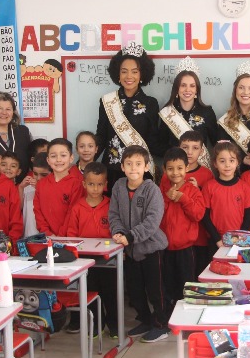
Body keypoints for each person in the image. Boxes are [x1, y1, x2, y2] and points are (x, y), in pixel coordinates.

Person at [108, 145, 169, 343]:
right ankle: (145, 319)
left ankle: (161, 324)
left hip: (152, 249)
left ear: (146, 167)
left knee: (156, 290)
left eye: (138, 164)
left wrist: (131, 236)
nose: (133, 168)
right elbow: (113, 214)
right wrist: (118, 232)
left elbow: (152, 221)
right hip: (130, 249)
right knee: (134, 290)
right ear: (122, 166)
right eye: (129, 164)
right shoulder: (118, 186)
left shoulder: (152, 190)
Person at [96, 42, 162, 190]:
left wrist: (178, 152)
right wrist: (86, 160)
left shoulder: (151, 103)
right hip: (112, 169)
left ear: (142, 74)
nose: (129, 76)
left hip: (139, 171)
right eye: (124, 71)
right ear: (118, 75)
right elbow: (101, 136)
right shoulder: (107, 101)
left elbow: (152, 141)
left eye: (135, 71)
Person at [65, 162, 117, 337]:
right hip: (86, 260)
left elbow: (116, 230)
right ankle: (96, 325)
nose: (95, 188)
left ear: (105, 184)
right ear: (84, 184)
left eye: (99, 184)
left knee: (111, 293)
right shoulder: (77, 207)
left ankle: (115, 325)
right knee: (90, 292)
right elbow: (71, 235)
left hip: (108, 259)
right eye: (91, 184)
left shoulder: (111, 205)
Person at [160, 147, 205, 308]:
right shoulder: (161, 191)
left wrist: (183, 199)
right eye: (170, 169)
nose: (175, 173)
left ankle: (187, 313)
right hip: (165, 248)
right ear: (164, 169)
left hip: (186, 249)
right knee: (167, 284)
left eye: (179, 168)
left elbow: (198, 215)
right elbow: (156, 216)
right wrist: (166, 198)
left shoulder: (193, 191)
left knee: (186, 285)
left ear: (186, 168)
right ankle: (168, 313)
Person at [158, 57, 218, 168]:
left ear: (197, 90)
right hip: (175, 169)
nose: (187, 90)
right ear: (177, 88)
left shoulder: (207, 112)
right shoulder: (167, 112)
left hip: (200, 169)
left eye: (192, 86)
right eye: (183, 85)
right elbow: (160, 145)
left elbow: (217, 143)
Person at [173, 130, 216, 278]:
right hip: (177, 236)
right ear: (179, 148)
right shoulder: (171, 173)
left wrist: (198, 190)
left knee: (199, 276)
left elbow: (209, 206)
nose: (189, 152)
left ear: (202, 151)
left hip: (200, 237)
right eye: (185, 147)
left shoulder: (207, 174)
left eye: (195, 148)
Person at [201, 141, 250, 247]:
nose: (227, 165)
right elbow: (205, 216)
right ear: (215, 163)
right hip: (215, 241)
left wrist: (240, 238)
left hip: (238, 241)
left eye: (231, 160)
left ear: (237, 162)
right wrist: (217, 239)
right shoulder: (209, 186)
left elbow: (248, 215)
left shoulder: (243, 186)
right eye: (222, 161)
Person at [33, 138, 84, 237]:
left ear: (71, 158)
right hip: (48, 238)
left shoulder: (77, 184)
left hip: (69, 238)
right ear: (48, 160)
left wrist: (60, 237)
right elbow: (38, 212)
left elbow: (72, 214)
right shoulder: (41, 184)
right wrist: (47, 233)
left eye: (63, 155)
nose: (58, 160)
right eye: (53, 156)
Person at [21, 153, 50, 237]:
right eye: (35, 174)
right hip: (29, 235)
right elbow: (18, 209)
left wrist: (40, 189)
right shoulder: (27, 188)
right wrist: (20, 188)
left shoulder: (54, 189)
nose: (38, 178)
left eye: (43, 175)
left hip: (48, 235)